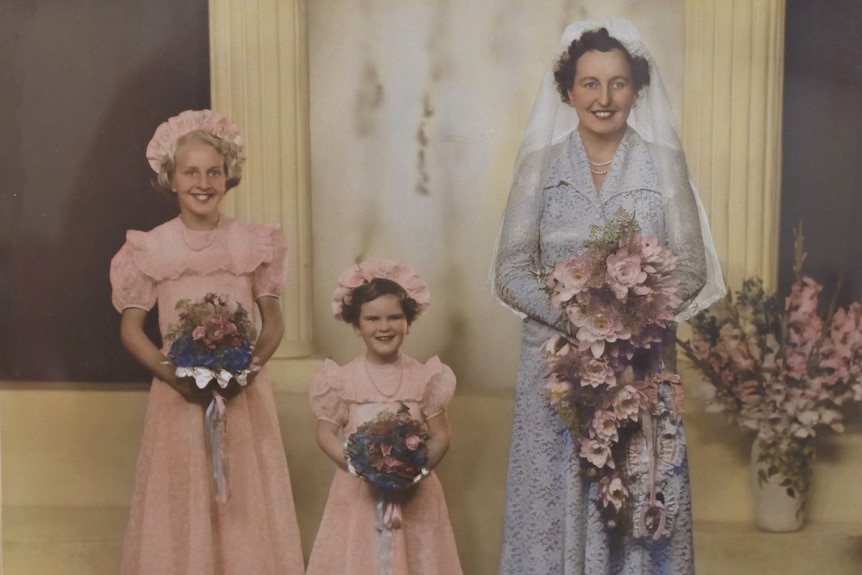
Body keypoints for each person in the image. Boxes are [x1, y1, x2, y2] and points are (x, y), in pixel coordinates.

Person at [492, 19, 725, 574]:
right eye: (590, 83)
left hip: (639, 368)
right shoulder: (539, 167)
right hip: (555, 373)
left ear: (636, 89)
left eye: (618, 83)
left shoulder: (662, 165)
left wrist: (626, 324)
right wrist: (581, 324)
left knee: (639, 490)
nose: (603, 98)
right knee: (557, 492)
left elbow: (690, 266)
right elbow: (510, 270)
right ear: (567, 90)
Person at [110, 109, 305, 574]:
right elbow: (131, 330)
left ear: (227, 176)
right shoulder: (152, 247)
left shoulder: (253, 242)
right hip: (178, 397)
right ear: (171, 179)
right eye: (191, 172)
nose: (203, 182)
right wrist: (175, 378)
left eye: (213, 171)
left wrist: (247, 371)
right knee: (185, 498)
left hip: (243, 397)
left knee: (242, 502)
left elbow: (273, 322)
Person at [307, 260, 463, 575]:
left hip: (413, 495)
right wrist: (357, 466)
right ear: (356, 324)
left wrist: (412, 472)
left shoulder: (424, 377)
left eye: (395, 317)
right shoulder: (343, 378)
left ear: (408, 322)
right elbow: (325, 433)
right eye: (373, 318)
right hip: (358, 494)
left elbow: (442, 435)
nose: (384, 327)